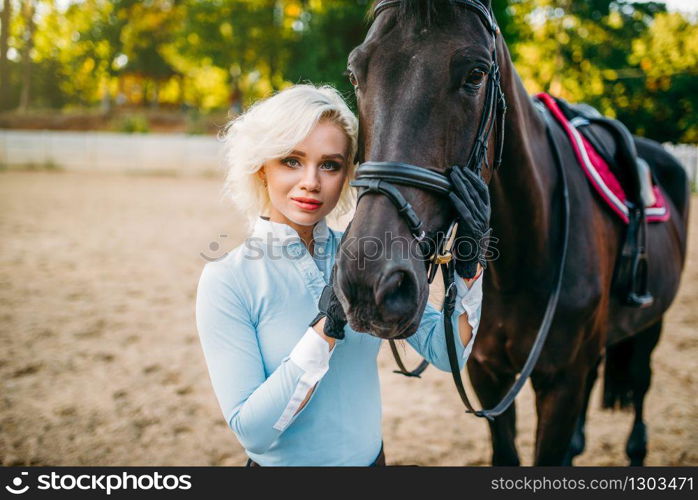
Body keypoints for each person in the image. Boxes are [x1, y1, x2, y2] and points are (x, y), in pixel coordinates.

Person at [195, 83, 490, 466]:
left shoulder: (364, 256)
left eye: (330, 165)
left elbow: (448, 352)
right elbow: (253, 433)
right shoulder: (227, 279)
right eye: (291, 160)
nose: (311, 182)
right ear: (261, 167)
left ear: (349, 174)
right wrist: (326, 329)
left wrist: (470, 261)